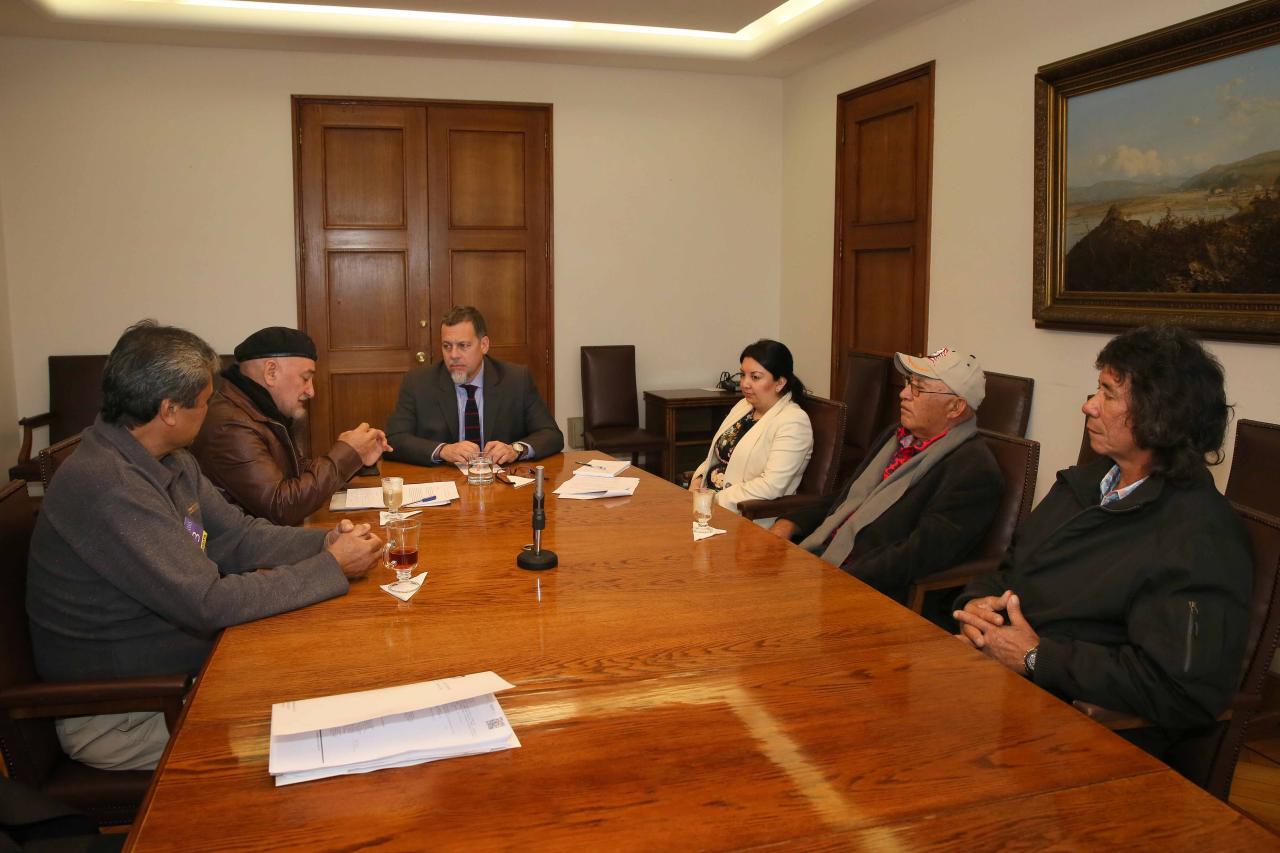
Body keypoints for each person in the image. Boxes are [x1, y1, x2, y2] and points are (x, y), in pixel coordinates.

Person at [26, 321, 384, 772]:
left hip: (186, 668)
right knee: (324, 738)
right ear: (169, 410)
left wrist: (324, 543)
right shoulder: (108, 484)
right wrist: (331, 566)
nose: (212, 409)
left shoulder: (167, 457)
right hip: (129, 711)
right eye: (204, 401)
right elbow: (208, 603)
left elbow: (237, 536)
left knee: (330, 671)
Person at [953, 326, 1250, 756]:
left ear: (1160, 414)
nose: (1088, 405)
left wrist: (1037, 657)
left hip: (1079, 735)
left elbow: (1181, 689)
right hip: (1000, 684)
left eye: (1108, 394)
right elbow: (1011, 570)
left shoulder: (1197, 535)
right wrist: (978, 605)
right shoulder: (1081, 484)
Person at [771, 348, 1003, 605]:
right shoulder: (897, 436)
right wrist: (791, 522)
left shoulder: (973, 470)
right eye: (908, 383)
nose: (904, 393)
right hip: (823, 558)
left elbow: (917, 555)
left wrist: (833, 579)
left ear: (955, 407)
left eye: (919, 388)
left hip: (870, 589)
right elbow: (849, 497)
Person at [192, 326, 391, 525]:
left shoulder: (258, 407)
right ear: (271, 372)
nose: (311, 391)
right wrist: (346, 454)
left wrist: (356, 457)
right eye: (305, 378)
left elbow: (296, 471)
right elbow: (282, 507)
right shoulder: (231, 426)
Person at [386, 306, 563, 466]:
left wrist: (515, 449)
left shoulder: (516, 379)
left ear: (484, 345)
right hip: (443, 480)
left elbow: (551, 435)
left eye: (463, 346)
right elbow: (394, 440)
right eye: (447, 346)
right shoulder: (418, 383)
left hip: (500, 482)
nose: (453, 355)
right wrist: (443, 450)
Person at [689, 340, 814, 528]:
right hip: (707, 507)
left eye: (755, 377)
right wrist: (698, 481)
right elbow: (717, 456)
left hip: (746, 517)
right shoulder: (744, 406)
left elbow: (771, 486)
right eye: (743, 375)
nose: (745, 384)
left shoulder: (793, 421)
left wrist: (714, 500)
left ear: (780, 383)